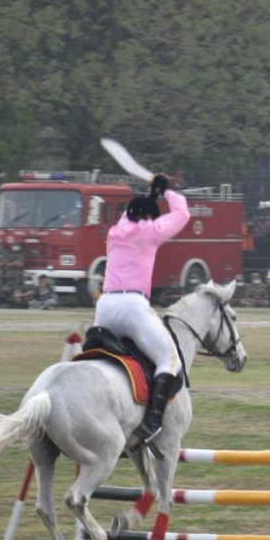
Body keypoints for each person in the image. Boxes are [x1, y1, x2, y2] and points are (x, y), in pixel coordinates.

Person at [93, 173, 190, 456]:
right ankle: (151, 424)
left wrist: (151, 194)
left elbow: (132, 214)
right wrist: (168, 191)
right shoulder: (151, 232)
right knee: (169, 360)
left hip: (105, 306)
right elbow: (182, 214)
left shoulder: (114, 232)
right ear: (150, 218)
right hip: (133, 307)